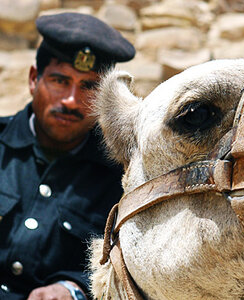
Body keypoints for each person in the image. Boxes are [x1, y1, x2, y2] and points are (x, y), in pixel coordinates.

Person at [0, 12, 135, 300]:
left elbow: (128, 260)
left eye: (88, 87)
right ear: (34, 80)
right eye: (60, 81)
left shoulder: (121, 178)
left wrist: (72, 288)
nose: (72, 101)